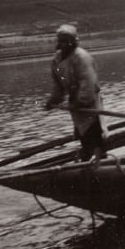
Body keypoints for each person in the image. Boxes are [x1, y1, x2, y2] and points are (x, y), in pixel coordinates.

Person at [44, 24, 106, 162]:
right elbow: (58, 84)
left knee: (94, 133)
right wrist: (54, 100)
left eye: (66, 40)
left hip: (89, 101)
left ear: (73, 41)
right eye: (61, 40)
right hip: (75, 102)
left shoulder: (81, 57)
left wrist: (80, 101)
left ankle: (100, 161)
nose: (63, 44)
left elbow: (88, 83)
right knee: (82, 133)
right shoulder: (57, 58)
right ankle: (88, 159)